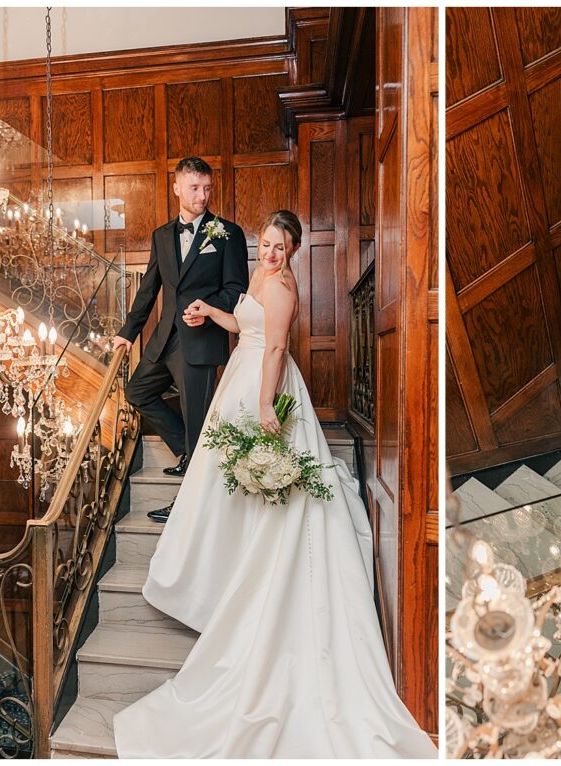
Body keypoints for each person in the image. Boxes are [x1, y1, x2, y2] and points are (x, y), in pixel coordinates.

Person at [112, 211, 437, 758]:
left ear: (293, 253)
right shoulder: (258, 280)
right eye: (266, 244)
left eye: (280, 247)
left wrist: (266, 406)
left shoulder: (283, 289)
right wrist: (211, 310)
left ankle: (251, 587)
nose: (270, 254)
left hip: (262, 387)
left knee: (259, 491)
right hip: (240, 376)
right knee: (223, 489)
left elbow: (276, 349)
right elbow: (246, 326)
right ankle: (217, 583)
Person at [113, 156, 249, 523]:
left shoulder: (228, 233)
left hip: (201, 340)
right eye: (194, 188)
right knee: (138, 392)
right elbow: (148, 290)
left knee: (198, 420)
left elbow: (237, 288)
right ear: (176, 188)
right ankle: (188, 453)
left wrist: (207, 308)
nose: (202, 195)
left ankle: (188, 505)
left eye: (207, 188)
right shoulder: (161, 236)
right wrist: (128, 333)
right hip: (165, 339)